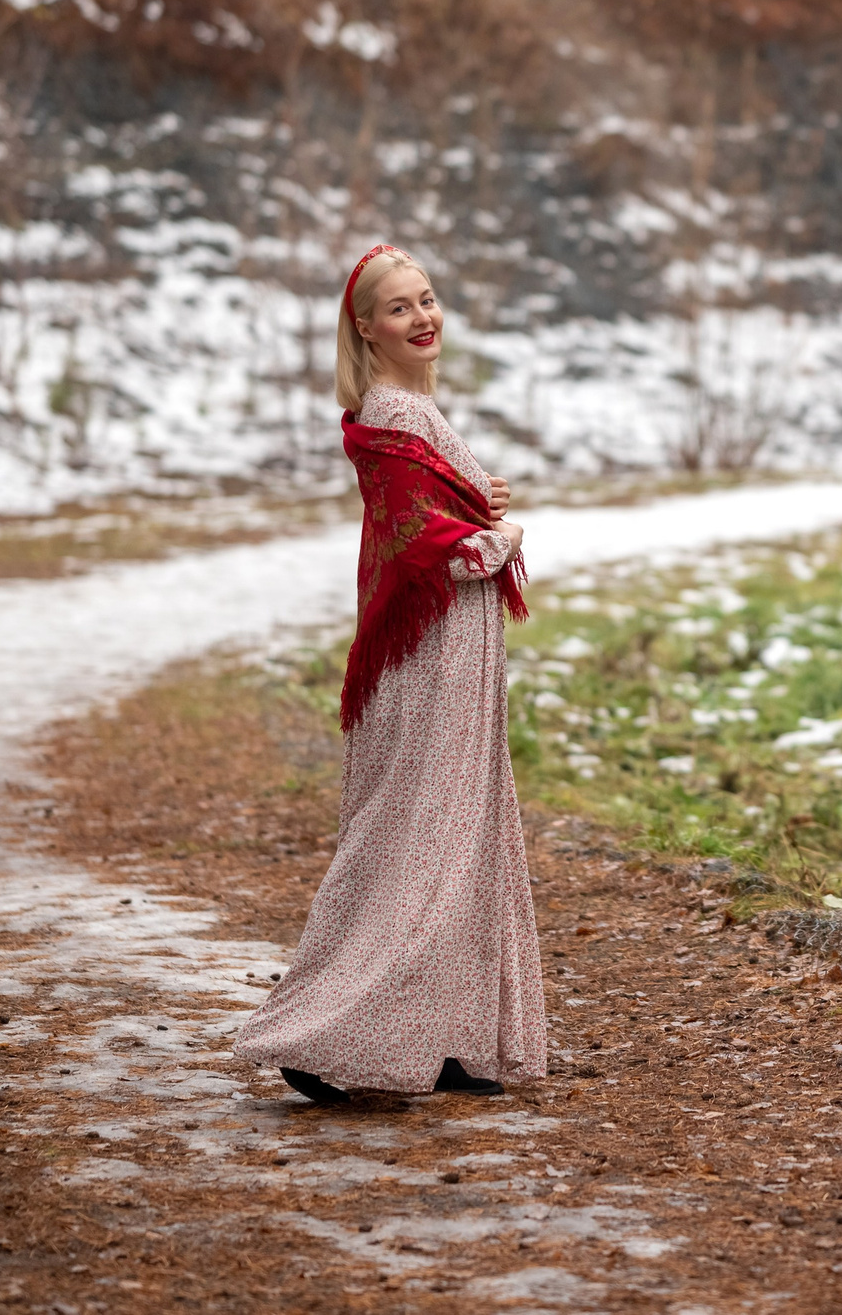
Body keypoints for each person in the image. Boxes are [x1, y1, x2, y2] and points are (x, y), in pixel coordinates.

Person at [233, 244, 548, 1103]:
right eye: (400, 307)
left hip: (448, 649)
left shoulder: (409, 408)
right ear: (366, 327)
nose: (423, 316)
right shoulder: (398, 411)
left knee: (452, 831)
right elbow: (426, 548)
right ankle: (326, 1032)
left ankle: (447, 1035)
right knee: (422, 838)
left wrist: (477, 496)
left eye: (428, 298)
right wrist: (498, 537)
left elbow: (423, 508)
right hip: (435, 651)